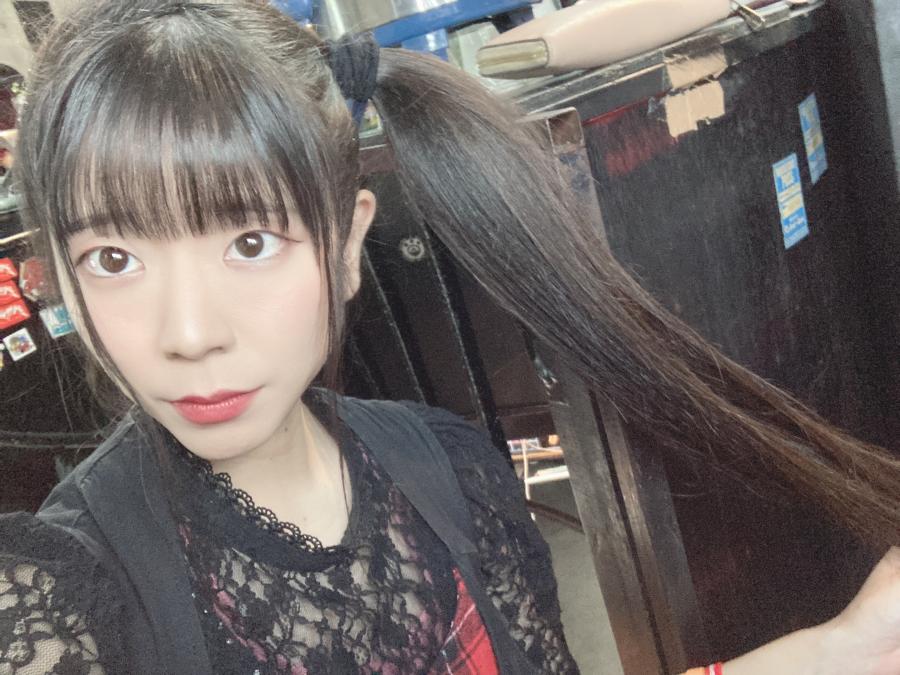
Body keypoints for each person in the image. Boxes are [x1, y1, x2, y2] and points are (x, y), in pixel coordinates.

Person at [1, 1, 899, 673]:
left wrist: (840, 647)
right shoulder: (58, 600)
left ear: (347, 247)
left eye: (251, 242)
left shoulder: (452, 472)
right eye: (113, 258)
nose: (189, 333)